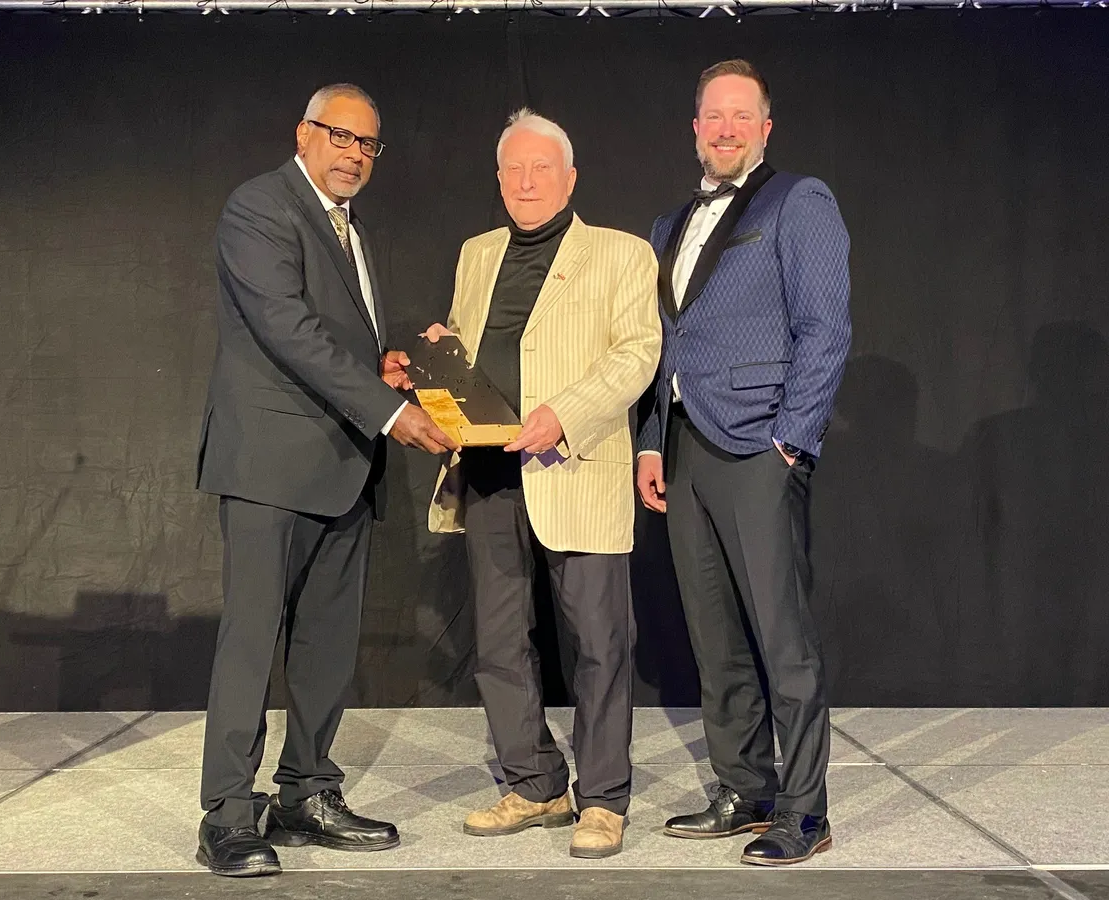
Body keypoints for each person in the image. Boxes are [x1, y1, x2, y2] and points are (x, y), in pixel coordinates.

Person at [194, 83, 456, 877]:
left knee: (325, 644)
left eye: (367, 143)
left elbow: (333, 337)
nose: (354, 154)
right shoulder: (259, 207)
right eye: (339, 136)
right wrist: (388, 410)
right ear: (303, 133)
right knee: (251, 642)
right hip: (270, 466)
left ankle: (306, 791)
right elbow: (288, 329)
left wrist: (381, 369)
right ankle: (227, 815)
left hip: (343, 464)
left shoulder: (351, 228)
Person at [424, 108, 661, 859]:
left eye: (541, 168)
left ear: (570, 177)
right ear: (498, 179)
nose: (526, 182)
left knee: (599, 641)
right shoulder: (476, 253)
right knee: (498, 641)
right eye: (513, 170)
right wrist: (443, 354)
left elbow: (638, 353)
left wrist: (565, 414)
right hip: (490, 470)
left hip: (576, 465)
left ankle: (604, 799)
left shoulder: (621, 254)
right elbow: (472, 345)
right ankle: (534, 784)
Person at [636, 60, 851, 866]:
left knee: (781, 636)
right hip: (684, 445)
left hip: (760, 443)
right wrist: (650, 440)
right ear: (695, 128)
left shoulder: (799, 200)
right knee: (713, 633)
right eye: (713, 116)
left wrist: (792, 438)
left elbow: (826, 326)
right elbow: (659, 344)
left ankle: (804, 810)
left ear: (765, 127)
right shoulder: (667, 225)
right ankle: (744, 787)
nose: (725, 129)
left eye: (741, 116)